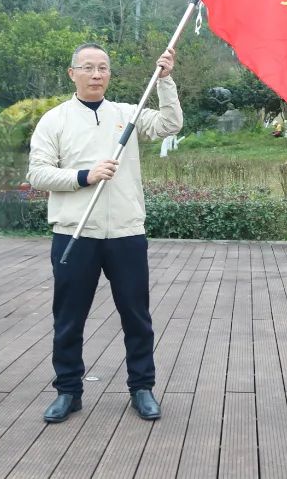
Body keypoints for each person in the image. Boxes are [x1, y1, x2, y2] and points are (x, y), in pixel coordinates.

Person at [28, 43, 183, 424]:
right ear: (72, 73)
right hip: (75, 233)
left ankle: (142, 387)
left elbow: (169, 124)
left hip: (126, 233)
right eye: (88, 67)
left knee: (136, 315)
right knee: (69, 318)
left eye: (103, 68)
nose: (96, 74)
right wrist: (85, 176)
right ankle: (68, 391)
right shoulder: (55, 120)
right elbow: (38, 173)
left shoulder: (127, 114)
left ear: (110, 74)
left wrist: (165, 81)